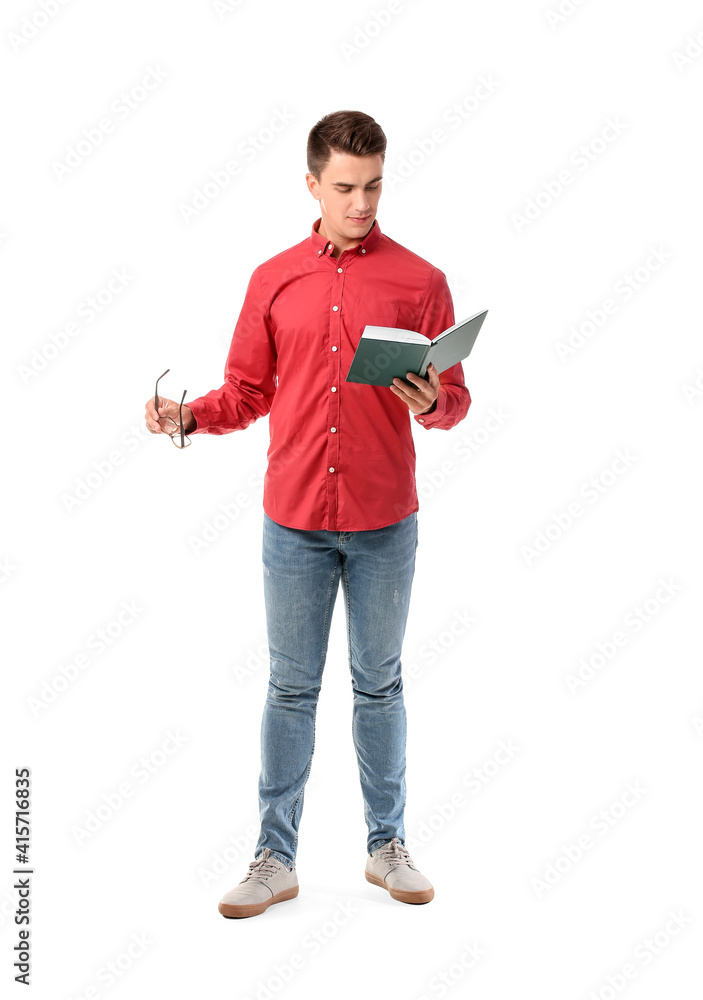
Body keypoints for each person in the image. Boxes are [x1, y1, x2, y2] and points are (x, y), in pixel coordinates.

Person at [144, 110, 472, 919]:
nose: (362, 204)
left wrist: (433, 400)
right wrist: (189, 416)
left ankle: (385, 844)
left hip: (384, 519)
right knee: (290, 688)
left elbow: (453, 402)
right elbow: (248, 391)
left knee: (379, 684)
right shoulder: (273, 278)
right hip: (291, 518)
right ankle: (273, 858)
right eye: (345, 188)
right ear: (312, 185)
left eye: (374, 186)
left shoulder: (419, 280)